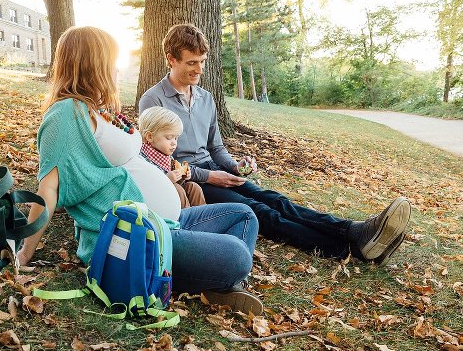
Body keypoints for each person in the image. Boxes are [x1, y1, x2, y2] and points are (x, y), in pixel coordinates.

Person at [17, 26, 263, 315]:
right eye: (111, 60)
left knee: (244, 215)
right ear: (92, 63)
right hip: (135, 237)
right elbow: (49, 188)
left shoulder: (97, 109)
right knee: (236, 257)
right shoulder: (65, 115)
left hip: (167, 222)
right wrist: (25, 252)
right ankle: (209, 279)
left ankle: (219, 285)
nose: (116, 68)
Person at [139, 23, 411, 265]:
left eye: (202, 61)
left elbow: (215, 148)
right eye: (191, 63)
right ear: (171, 59)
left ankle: (355, 231)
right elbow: (155, 159)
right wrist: (211, 176)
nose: (199, 69)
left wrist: (235, 165)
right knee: (263, 213)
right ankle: (350, 249)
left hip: (214, 170)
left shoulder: (206, 98)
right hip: (189, 182)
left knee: (275, 199)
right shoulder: (153, 101)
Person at [138, 106, 206, 208]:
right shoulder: (142, 159)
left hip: (170, 195)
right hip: (156, 202)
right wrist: (167, 180)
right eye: (169, 138)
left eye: (176, 138)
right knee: (177, 189)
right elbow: (147, 187)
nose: (174, 143)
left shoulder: (167, 157)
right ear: (150, 137)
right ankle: (189, 220)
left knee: (193, 187)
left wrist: (182, 177)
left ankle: (204, 215)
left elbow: (178, 183)